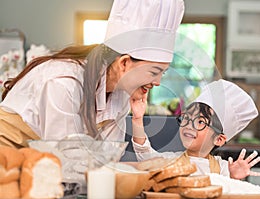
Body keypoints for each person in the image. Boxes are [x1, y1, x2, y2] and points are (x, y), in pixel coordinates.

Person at [0, 0, 185, 148]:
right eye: (154, 72)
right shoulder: (64, 83)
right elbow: (67, 162)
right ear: (124, 63)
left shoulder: (120, 96)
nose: (158, 82)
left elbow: (106, 160)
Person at [130, 79, 260, 180]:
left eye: (200, 122)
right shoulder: (170, 161)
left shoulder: (223, 169)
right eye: (186, 117)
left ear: (219, 139)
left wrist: (233, 177)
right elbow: (145, 156)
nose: (189, 125)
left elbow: (230, 191)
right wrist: (137, 119)